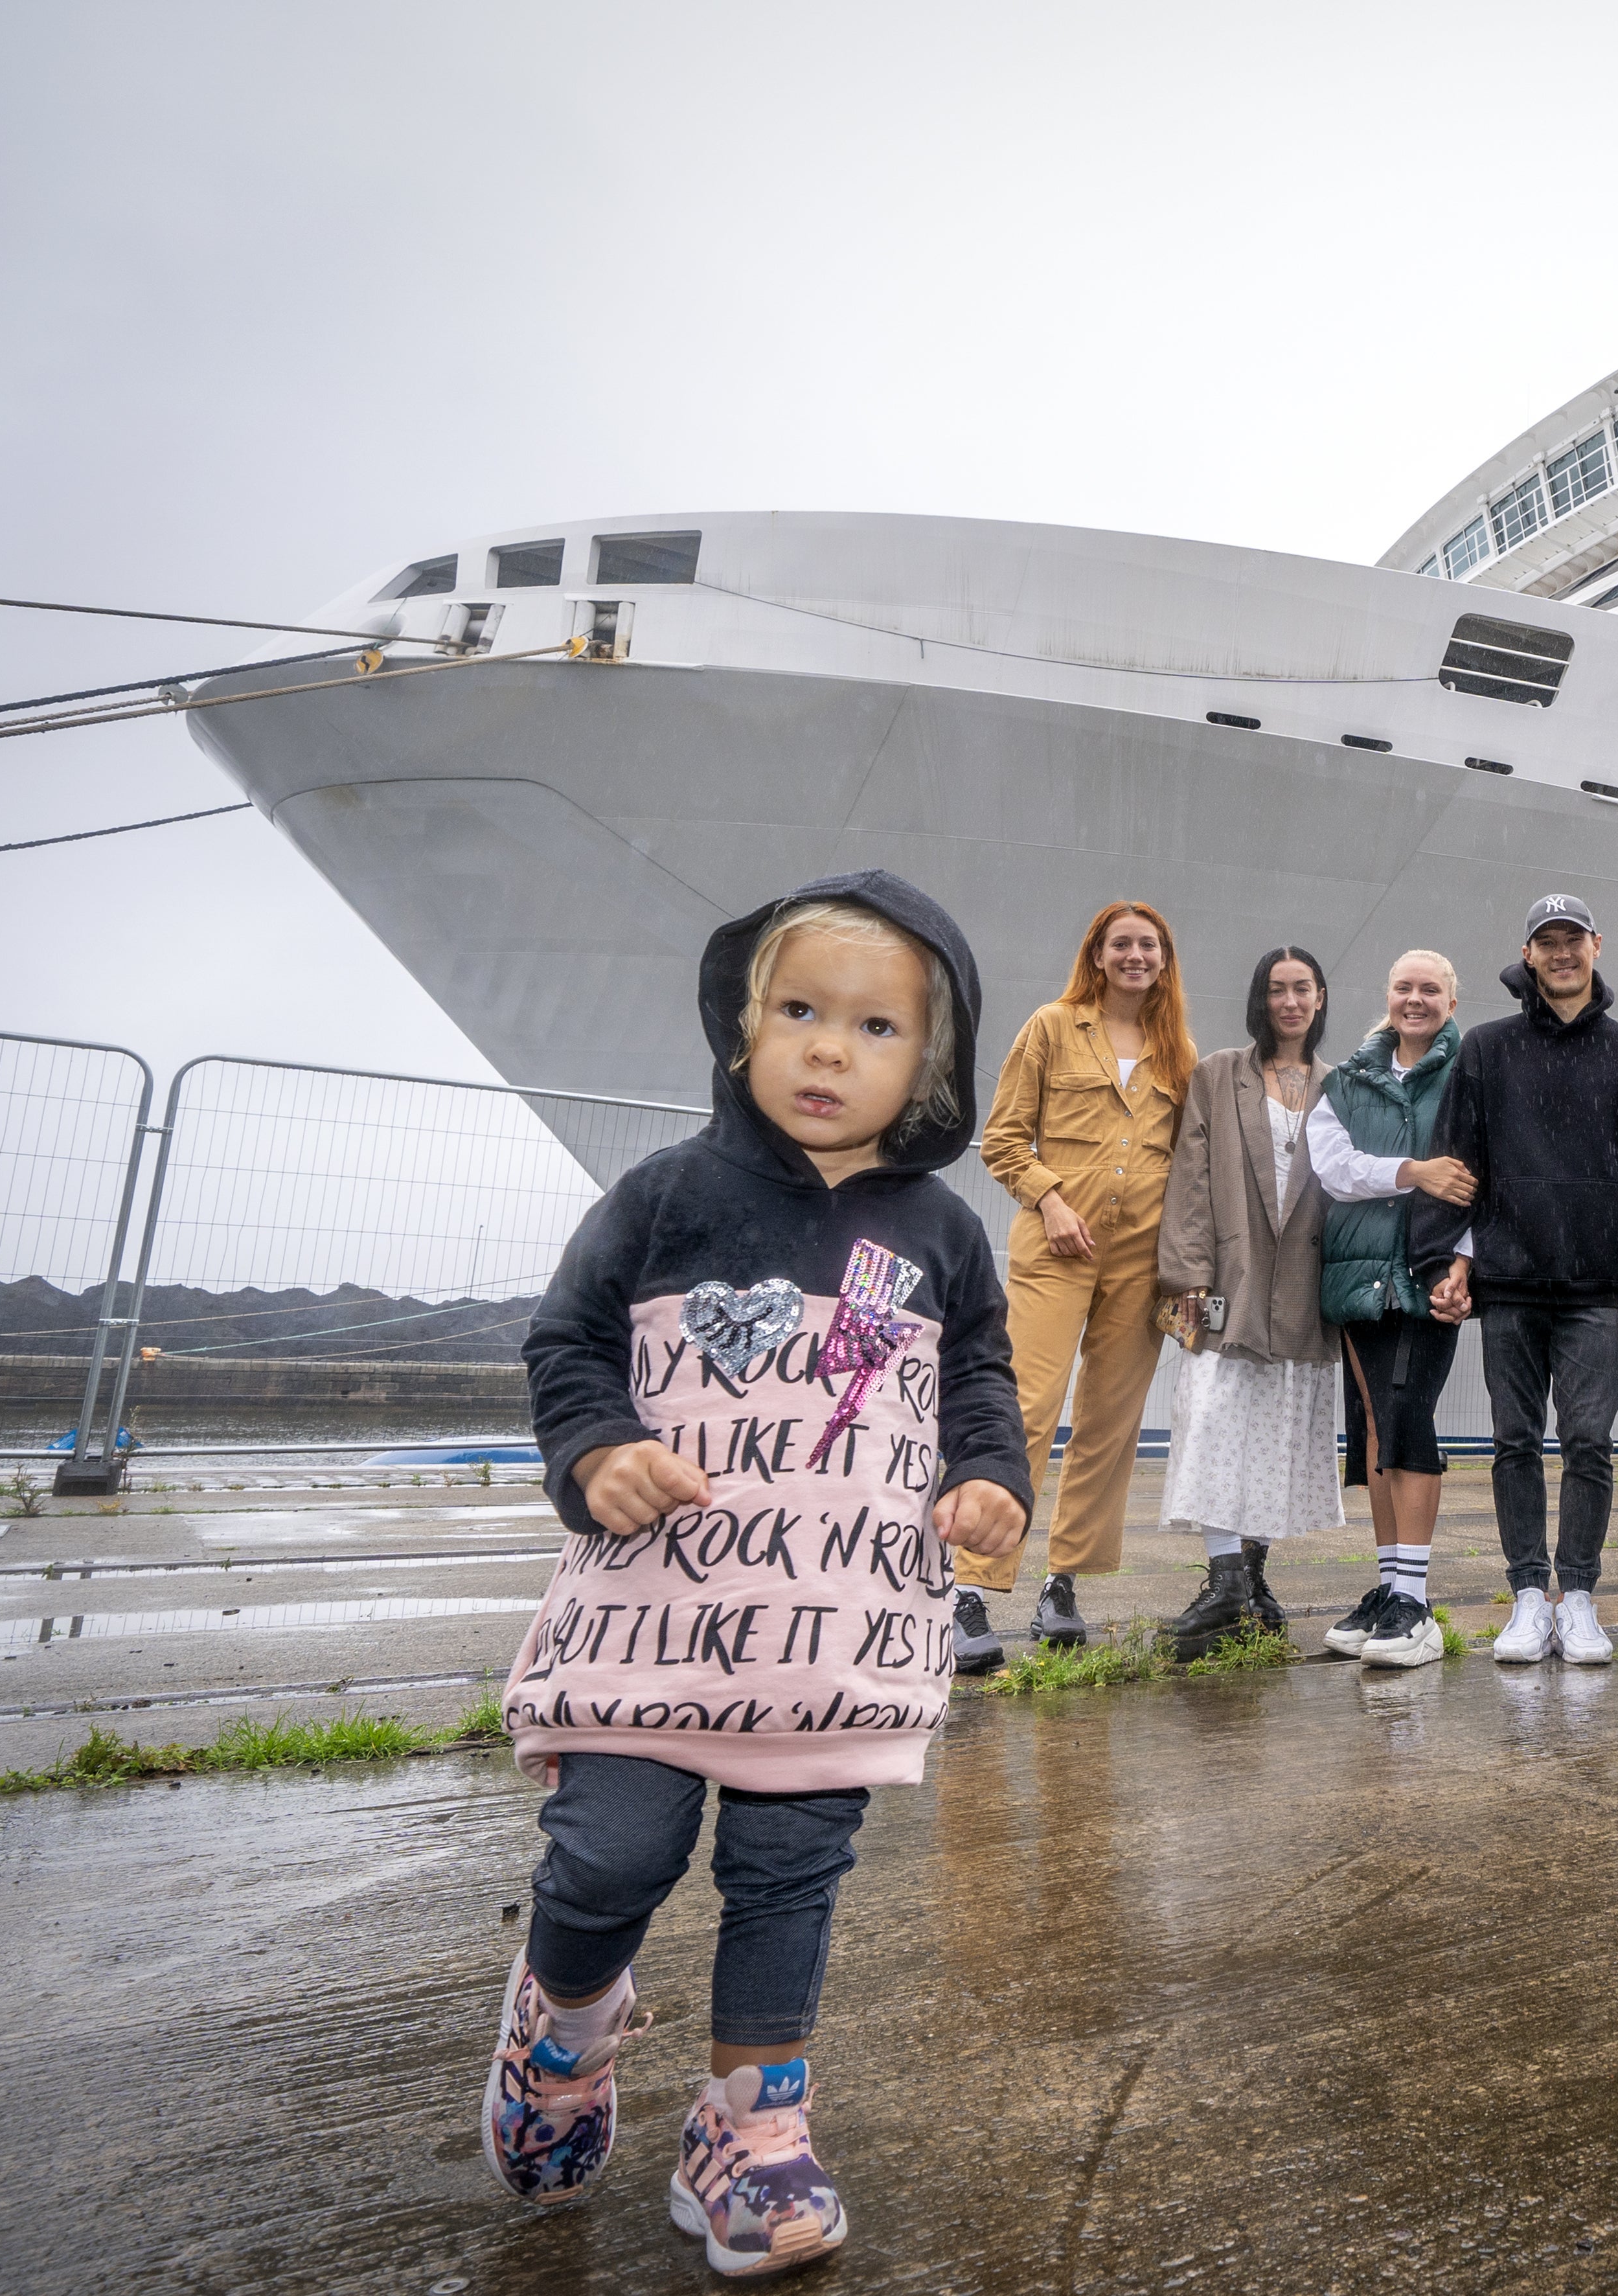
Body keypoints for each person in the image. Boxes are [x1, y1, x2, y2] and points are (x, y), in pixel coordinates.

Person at [485, 874, 1031, 2277]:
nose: (828, 1047)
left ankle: (752, 2126)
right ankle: (563, 2027)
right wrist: (595, 1443)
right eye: (799, 1011)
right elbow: (566, 1343)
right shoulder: (660, 1196)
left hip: (832, 1624)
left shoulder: (943, 1232)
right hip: (654, 1613)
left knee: (790, 1874)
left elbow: (976, 1374)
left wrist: (990, 1480)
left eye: (872, 1025)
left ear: (929, 1063)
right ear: (742, 1027)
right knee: (612, 1850)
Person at [1427, 894, 1618, 1665]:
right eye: (1548, 942)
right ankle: (1528, 1595)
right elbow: (1458, 1161)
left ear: (1596, 946)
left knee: (1587, 1443)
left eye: (1574, 939)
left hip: (1596, 1291)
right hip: (1508, 1282)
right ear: (1528, 954)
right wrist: (1451, 1260)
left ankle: (1580, 1596)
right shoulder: (1485, 1049)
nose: (1562, 953)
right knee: (1511, 1442)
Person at [955, 900, 1196, 1664]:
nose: (1135, 956)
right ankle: (969, 1586)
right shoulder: (1052, 1026)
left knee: (1108, 1423)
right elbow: (1001, 1138)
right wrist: (1051, 1198)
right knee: (1025, 1406)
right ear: (1097, 953)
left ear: (1164, 959)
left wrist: (1186, 1269)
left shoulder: (1177, 1051)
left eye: (1147, 946)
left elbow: (1190, 1171)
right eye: (1121, 943)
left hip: (1141, 1256)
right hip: (1056, 1245)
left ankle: (1062, 1584)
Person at [1153, 948, 1346, 1656]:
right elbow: (1192, 1182)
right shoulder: (1219, 1074)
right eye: (1276, 989)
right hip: (1227, 1280)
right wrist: (1188, 1279)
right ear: (1259, 999)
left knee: (1278, 1429)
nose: (1289, 1001)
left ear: (1321, 998)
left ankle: (1253, 1581)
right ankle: (1226, 1576)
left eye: (1302, 989)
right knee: (1210, 1418)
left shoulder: (1338, 1085)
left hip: (1301, 1282)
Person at [1308, 950, 1478, 1670]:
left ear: (1449, 998)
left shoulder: (1472, 1077)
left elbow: (1481, 1174)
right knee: (1375, 1423)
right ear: (1387, 995)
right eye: (1404, 987)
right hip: (1354, 1275)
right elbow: (1331, 1168)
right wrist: (1411, 1172)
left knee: (1407, 1416)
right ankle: (1387, 1589)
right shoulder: (1346, 1080)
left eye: (1430, 989)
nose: (1415, 999)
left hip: (1426, 1272)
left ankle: (1415, 1601)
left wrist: (1465, 1264)